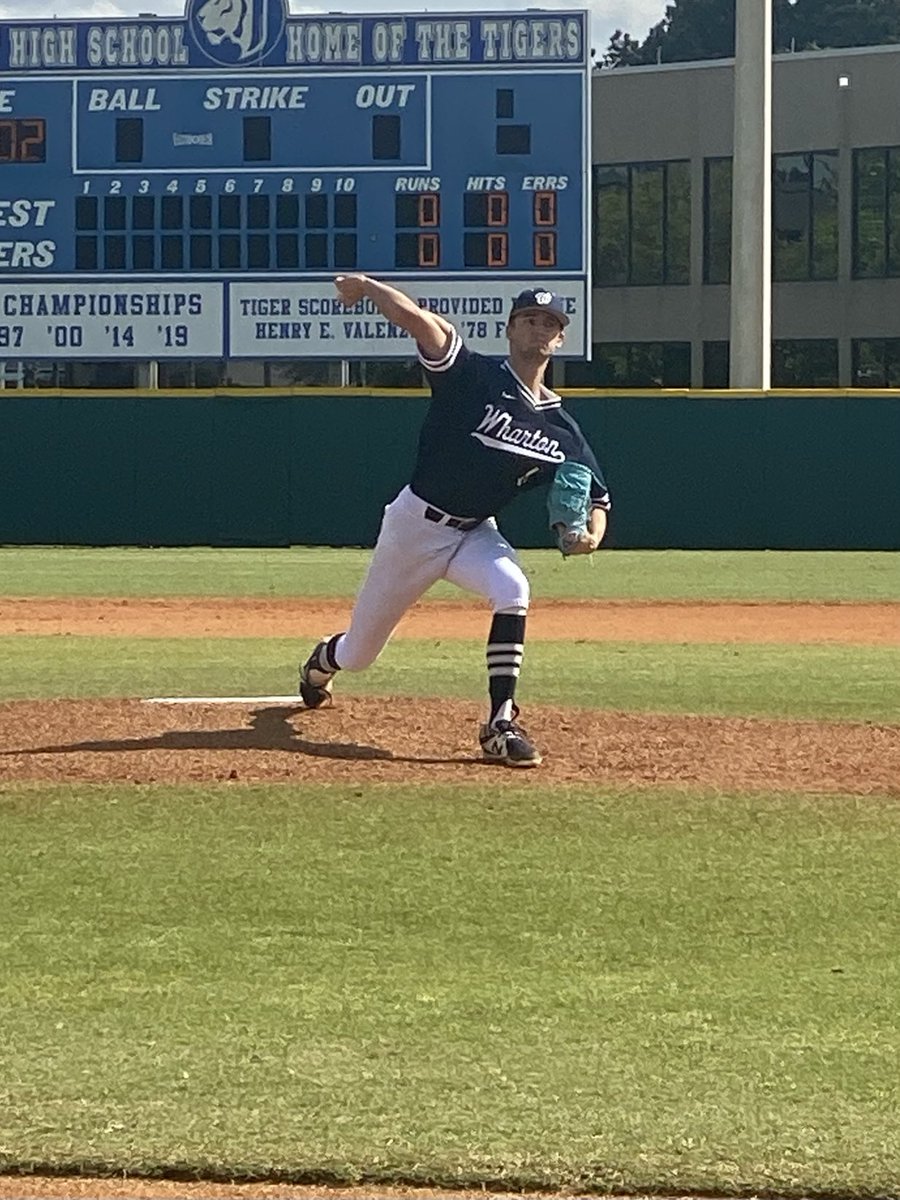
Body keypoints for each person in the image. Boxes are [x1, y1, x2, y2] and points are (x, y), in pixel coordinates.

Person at [299, 274, 610, 767]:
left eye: (549, 322)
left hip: (473, 533)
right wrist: (367, 286)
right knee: (359, 654)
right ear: (510, 330)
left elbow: (597, 496)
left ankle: (499, 724)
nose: (539, 328)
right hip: (414, 527)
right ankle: (322, 662)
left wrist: (590, 536)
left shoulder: (563, 431)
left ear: (560, 338)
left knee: (514, 590)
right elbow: (416, 320)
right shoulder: (471, 374)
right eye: (529, 318)